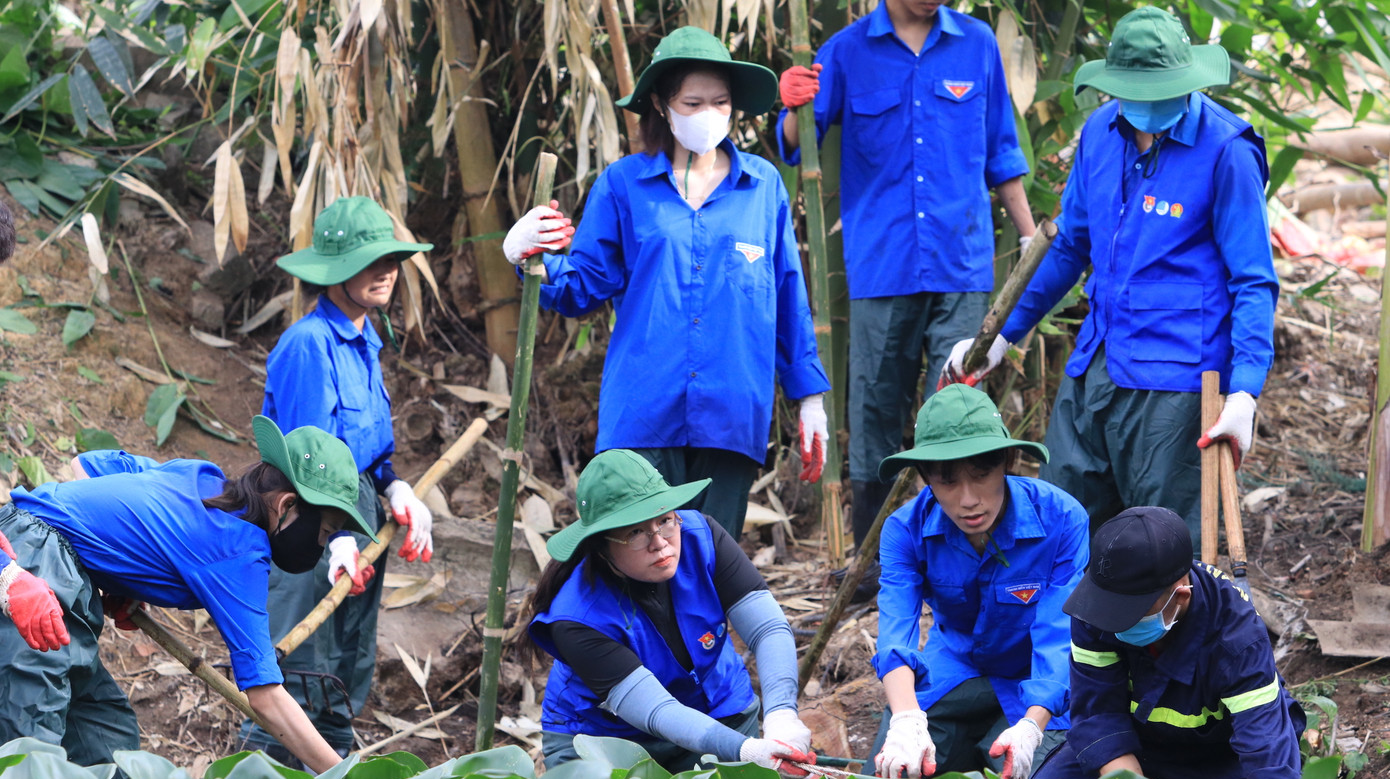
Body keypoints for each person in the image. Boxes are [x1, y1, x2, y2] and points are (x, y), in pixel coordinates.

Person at [944, 7, 1279, 548]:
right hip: (1097, 365)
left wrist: (1245, 391)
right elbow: (1070, 244)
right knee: (1064, 525)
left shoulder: (1227, 150)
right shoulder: (1101, 132)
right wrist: (1004, 331)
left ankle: (1172, 635)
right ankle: (1075, 635)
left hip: (1178, 381)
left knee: (1165, 547)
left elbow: (1253, 281)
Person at [503, 27, 831, 540]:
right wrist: (529, 260)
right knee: (638, 565)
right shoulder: (623, 184)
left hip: (732, 412)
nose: (708, 114)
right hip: (642, 410)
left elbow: (788, 294)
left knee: (710, 565)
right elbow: (583, 285)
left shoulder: (764, 187)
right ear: (661, 104)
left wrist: (809, 399)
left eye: (720, 102)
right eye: (693, 101)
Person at [776, 0, 1036, 549]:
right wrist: (795, 104)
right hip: (881, 262)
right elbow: (799, 142)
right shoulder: (846, 51)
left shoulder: (976, 41)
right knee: (873, 407)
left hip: (960, 261)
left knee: (958, 406)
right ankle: (876, 554)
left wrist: (1032, 240)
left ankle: (962, 550)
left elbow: (1002, 150)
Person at [0, 417, 377, 773]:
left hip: (57, 564)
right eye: (326, 533)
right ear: (287, 505)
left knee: (106, 735)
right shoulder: (240, 552)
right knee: (30, 733)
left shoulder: (201, 477)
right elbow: (267, 697)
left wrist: (122, 567)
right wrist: (343, 776)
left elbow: (87, 466)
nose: (323, 545)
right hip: (30, 566)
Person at [241, 196, 436, 762]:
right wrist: (336, 535)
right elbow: (306, 457)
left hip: (357, 519)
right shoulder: (309, 344)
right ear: (333, 273)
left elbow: (366, 452)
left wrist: (397, 488)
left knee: (347, 662)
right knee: (302, 663)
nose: (386, 271)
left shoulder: (365, 340)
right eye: (369, 261)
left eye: (392, 260)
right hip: (309, 526)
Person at [524, 449, 817, 774]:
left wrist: (781, 715)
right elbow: (657, 711)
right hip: (605, 738)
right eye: (635, 532)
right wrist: (746, 749)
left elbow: (767, 629)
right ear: (599, 545)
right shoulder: (576, 617)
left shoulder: (701, 537)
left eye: (665, 520)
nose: (660, 542)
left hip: (718, 707)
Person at [869, 385, 1088, 779]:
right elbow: (896, 632)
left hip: (1037, 681)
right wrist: (905, 719)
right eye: (947, 481)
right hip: (954, 667)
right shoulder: (903, 531)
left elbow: (1058, 637)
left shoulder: (1062, 520)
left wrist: (1031, 728)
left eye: (981, 475)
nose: (968, 500)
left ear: (1007, 462)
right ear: (925, 479)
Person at [1027, 507, 1303, 779]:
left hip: (1217, 760)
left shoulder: (1237, 637)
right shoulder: (1095, 607)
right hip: (1128, 742)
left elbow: (1265, 748)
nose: (1113, 624)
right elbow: (1097, 710)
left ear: (1180, 596)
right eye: (1110, 608)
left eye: (1128, 614)